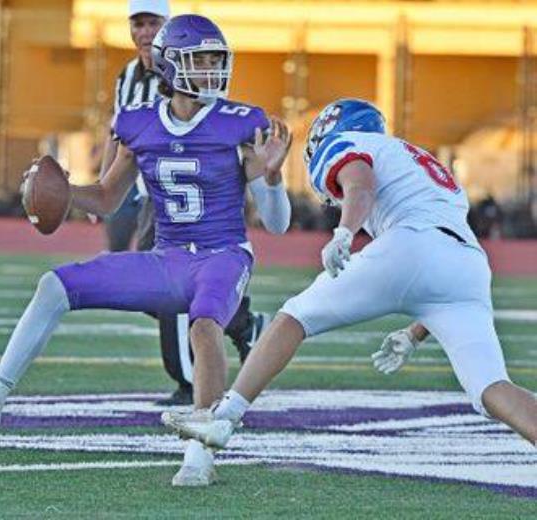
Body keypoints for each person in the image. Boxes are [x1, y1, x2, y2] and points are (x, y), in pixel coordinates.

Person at [0, 14, 292, 487]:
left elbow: (278, 225)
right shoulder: (137, 123)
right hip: (168, 258)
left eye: (215, 61)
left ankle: (200, 455)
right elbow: (107, 198)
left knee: (204, 327)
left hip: (224, 255)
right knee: (55, 285)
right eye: (199, 60)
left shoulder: (240, 124)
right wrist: (61, 192)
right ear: (170, 65)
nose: (211, 71)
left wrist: (274, 176)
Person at [162, 98, 537, 454]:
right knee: (491, 387)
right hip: (468, 264)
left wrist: (345, 231)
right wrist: (413, 333)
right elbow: (439, 265)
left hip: (411, 244)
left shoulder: (348, 142)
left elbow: (361, 183)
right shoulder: (420, 163)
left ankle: (224, 417)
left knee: (294, 316)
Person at [98, 0, 270, 406]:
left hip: (189, 190)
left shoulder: (191, 62)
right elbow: (116, 134)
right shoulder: (127, 77)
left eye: (152, 23)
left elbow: (212, 117)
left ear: (167, 30)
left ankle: (190, 382)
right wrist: (102, 185)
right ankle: (243, 324)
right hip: (144, 189)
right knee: (149, 285)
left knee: (170, 285)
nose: (143, 32)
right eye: (137, 23)